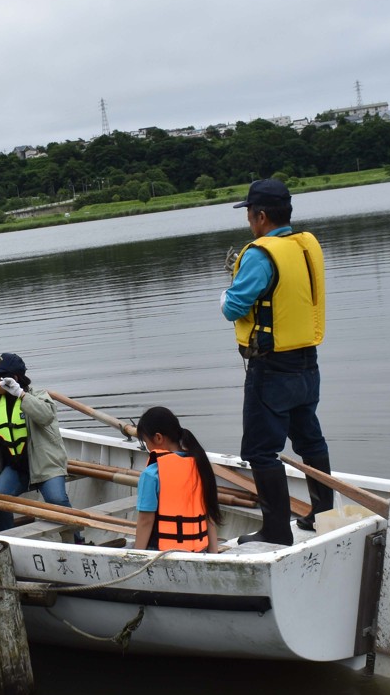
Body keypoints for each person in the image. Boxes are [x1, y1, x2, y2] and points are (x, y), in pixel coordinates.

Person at [221, 178, 333, 545]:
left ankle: (276, 529)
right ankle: (323, 514)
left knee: (260, 450)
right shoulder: (305, 246)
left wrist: (226, 292)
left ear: (262, 216)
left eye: (250, 215)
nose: (249, 223)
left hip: (271, 369)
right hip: (307, 362)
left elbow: (233, 308)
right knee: (309, 439)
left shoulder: (258, 254)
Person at [0, 352, 72, 530]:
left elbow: (46, 416)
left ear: (13, 378)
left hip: (45, 464)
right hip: (17, 468)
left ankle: (76, 538)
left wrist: (21, 394)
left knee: (56, 500)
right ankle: (8, 537)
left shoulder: (38, 396)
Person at [132, 407, 221, 552]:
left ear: (158, 438)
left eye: (146, 443)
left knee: (131, 547)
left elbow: (145, 521)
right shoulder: (199, 464)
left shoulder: (151, 474)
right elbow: (209, 516)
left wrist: (137, 558)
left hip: (162, 553)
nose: (147, 447)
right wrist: (213, 555)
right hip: (200, 551)